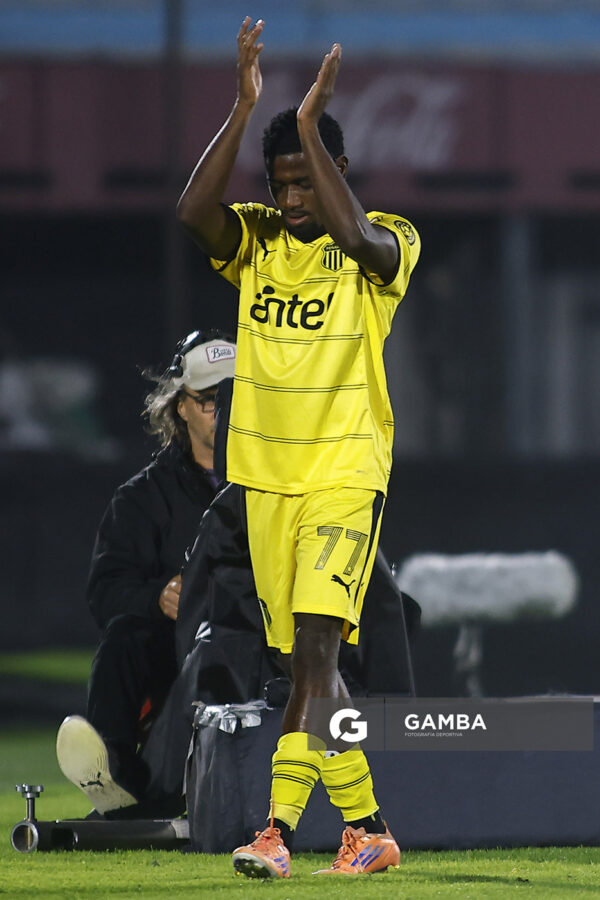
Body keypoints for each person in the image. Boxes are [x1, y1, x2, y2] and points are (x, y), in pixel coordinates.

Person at [177, 18, 420, 878]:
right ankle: (369, 831)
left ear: (334, 174)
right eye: (279, 185)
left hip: (343, 476)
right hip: (267, 483)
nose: (289, 201)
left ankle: (273, 832)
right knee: (309, 671)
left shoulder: (382, 241)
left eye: (303, 182)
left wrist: (310, 128)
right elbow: (191, 211)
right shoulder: (257, 244)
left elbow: (358, 241)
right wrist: (245, 108)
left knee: (315, 655)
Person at [56, 329, 236, 816]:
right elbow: (106, 591)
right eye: (210, 401)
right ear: (180, 406)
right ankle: (113, 770)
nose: (224, 413)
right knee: (125, 638)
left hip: (255, 645)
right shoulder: (141, 498)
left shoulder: (280, 485)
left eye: (235, 399)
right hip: (176, 655)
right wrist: (158, 597)